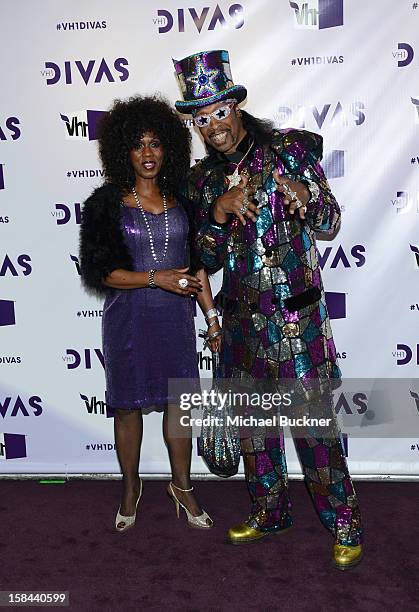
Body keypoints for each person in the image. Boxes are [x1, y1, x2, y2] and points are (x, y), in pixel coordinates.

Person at [172, 50, 363, 569]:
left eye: (219, 111)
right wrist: (217, 213)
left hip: (298, 321)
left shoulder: (289, 151)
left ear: (236, 106)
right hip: (240, 326)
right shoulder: (201, 184)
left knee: (316, 429)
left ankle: (344, 521)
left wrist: (309, 196)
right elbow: (203, 262)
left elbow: (330, 220)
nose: (213, 126)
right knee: (255, 433)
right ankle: (270, 510)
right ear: (195, 123)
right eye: (201, 117)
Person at [79, 95, 221, 533]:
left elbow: (196, 264)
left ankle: (182, 485)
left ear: (169, 149)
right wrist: (155, 278)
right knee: (127, 408)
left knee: (180, 406)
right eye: (138, 144)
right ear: (124, 150)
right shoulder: (106, 203)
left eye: (155, 143)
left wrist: (211, 318)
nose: (147, 153)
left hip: (176, 321)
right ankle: (130, 486)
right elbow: (102, 272)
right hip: (129, 321)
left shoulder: (185, 200)